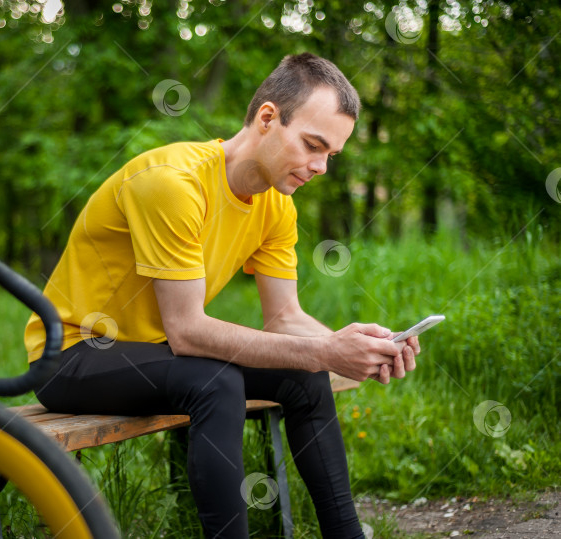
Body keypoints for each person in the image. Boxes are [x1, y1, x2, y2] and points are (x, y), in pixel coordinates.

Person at [24, 52, 420, 539]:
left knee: (306, 379)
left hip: (153, 353)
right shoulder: (173, 184)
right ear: (268, 118)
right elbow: (188, 332)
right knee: (216, 381)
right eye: (313, 146)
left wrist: (354, 344)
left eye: (331, 156)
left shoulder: (277, 205)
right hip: (72, 354)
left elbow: (284, 318)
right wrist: (324, 350)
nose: (320, 167)